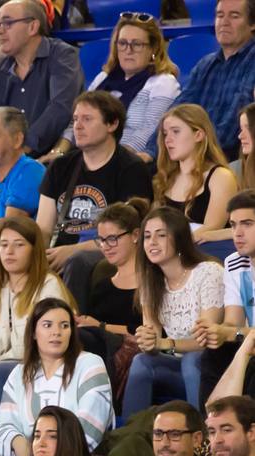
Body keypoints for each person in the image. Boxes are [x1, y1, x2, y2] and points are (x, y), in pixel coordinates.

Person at [35, 91, 152, 305]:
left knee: (77, 262)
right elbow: (42, 227)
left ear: (112, 124)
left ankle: (73, 328)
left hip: (102, 250)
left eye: (87, 119)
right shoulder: (60, 166)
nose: (77, 126)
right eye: (75, 119)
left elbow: (125, 237)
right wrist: (38, 254)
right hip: (58, 249)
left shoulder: (131, 169)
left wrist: (71, 251)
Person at [0, 217, 70, 420]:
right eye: (4, 245)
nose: (9, 252)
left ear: (33, 250)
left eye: (18, 245)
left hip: (35, 366)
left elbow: (28, 349)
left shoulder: (48, 286)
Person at [122, 205, 229, 419]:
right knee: (141, 361)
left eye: (161, 235)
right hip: (174, 362)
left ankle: (202, 437)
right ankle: (131, 434)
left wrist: (164, 344)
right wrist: (147, 341)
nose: (151, 243)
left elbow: (205, 340)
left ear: (179, 238)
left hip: (212, 364)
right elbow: (152, 340)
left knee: (192, 360)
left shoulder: (208, 272)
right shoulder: (151, 282)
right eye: (147, 236)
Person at [0, 298, 113, 456]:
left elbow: (90, 429)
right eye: (47, 325)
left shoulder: (90, 364)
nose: (57, 332)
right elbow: (1, 427)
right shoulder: (19, 373)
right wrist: (26, 450)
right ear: (33, 332)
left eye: (64, 325)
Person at [46, 15, 180, 162]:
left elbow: (150, 130)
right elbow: (77, 121)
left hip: (126, 162)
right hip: (87, 158)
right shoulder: (103, 78)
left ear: (153, 48)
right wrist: (59, 151)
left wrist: (111, 161)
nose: (128, 50)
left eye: (137, 44)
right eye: (122, 43)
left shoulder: (163, 82)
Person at [145, 0, 255, 161]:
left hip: (227, 157)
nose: (224, 22)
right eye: (220, 15)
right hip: (192, 151)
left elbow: (233, 127)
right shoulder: (205, 64)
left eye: (234, 16)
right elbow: (177, 111)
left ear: (252, 24)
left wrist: (191, 150)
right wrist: (151, 151)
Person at [0, 0, 83, 157]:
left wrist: (23, 149)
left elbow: (60, 108)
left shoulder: (62, 56)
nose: (0, 31)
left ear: (32, 27)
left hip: (55, 156)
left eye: (7, 23)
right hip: (8, 156)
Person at [80, 199, 148, 382]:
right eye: (101, 240)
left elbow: (147, 331)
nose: (106, 247)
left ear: (135, 235)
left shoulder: (152, 282)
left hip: (136, 354)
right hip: (102, 353)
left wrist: (100, 326)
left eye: (112, 239)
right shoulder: (102, 285)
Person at [153, 105, 240, 244]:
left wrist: (170, 246)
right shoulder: (165, 178)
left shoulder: (220, 177)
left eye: (175, 131)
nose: (168, 140)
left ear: (198, 135)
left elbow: (210, 230)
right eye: (165, 133)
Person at [200, 190, 255, 400]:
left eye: (247, 224)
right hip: (249, 345)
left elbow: (236, 332)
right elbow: (233, 323)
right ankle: (209, 427)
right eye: (233, 225)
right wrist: (215, 331)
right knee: (214, 353)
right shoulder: (234, 262)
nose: (237, 233)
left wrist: (232, 334)